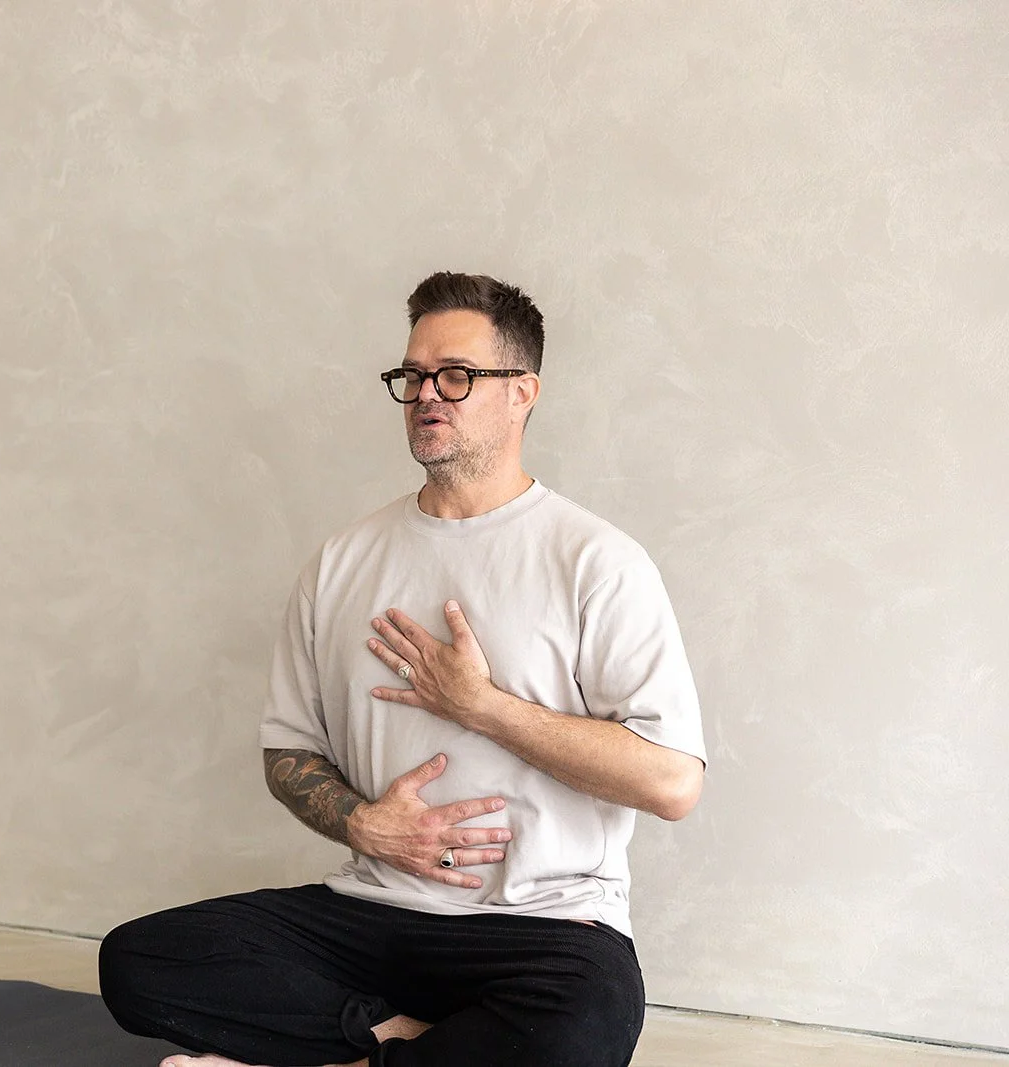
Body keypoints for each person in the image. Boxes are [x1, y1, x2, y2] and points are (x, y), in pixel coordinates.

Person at [98, 272, 707, 1067]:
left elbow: (672, 784)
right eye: (413, 375)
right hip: (373, 909)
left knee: (583, 1026)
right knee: (140, 960)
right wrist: (360, 822)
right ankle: (409, 1043)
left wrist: (483, 706)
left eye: (456, 375)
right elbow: (288, 752)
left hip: (543, 925)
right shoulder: (343, 561)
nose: (428, 393)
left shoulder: (597, 562)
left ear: (522, 392)